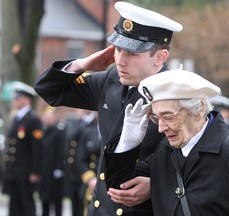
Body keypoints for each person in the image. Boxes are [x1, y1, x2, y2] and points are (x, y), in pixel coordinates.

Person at [34, 1, 183, 215]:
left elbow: (198, 164)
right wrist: (82, 64)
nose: (120, 61)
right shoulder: (112, 80)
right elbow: (49, 90)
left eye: (131, 54)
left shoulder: (179, 94)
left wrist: (157, 186)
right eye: (118, 50)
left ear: (160, 57)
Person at [105, 69, 229, 216]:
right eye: (156, 117)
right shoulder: (166, 151)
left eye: (168, 116)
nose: (161, 128)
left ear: (199, 109)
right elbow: (120, 190)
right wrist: (127, 144)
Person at [2, 81, 44, 216]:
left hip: (25, 172)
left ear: (26, 100)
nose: (14, 101)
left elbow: (37, 148)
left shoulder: (33, 119)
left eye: (17, 98)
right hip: (13, 171)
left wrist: (35, 171)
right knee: (14, 205)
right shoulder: (17, 118)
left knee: (26, 204)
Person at [39, 106, 66, 216]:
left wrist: (59, 168)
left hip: (55, 170)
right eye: (46, 117)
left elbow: (61, 151)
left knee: (56, 200)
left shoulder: (59, 131)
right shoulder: (43, 131)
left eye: (49, 117)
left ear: (54, 117)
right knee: (44, 199)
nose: (47, 119)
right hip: (45, 171)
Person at [75, 111, 102, 215]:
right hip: (91, 180)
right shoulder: (88, 132)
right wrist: (90, 179)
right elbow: (80, 159)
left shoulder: (117, 131)